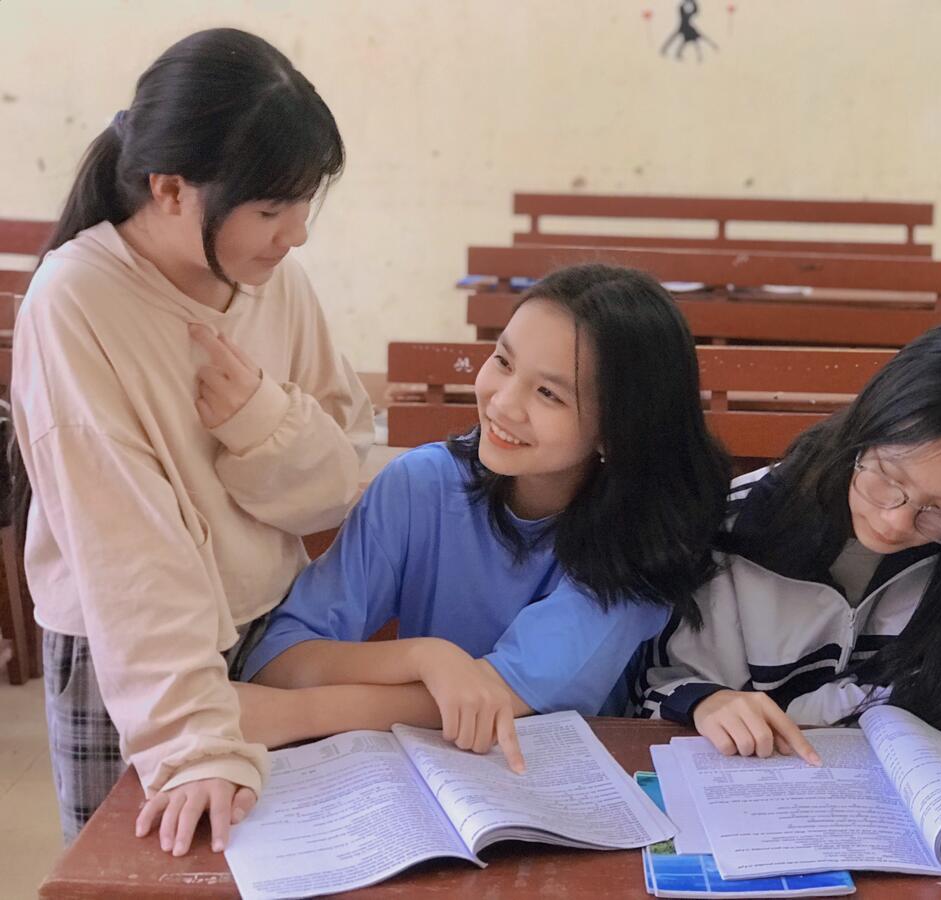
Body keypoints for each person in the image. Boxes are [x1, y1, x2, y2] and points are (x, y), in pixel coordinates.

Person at [11, 28, 372, 855]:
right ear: (169, 188)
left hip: (270, 625)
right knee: (148, 867)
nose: (298, 234)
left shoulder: (274, 280)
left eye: (305, 202)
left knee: (283, 865)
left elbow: (340, 480)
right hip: (130, 660)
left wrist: (260, 423)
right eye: (273, 208)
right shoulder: (76, 302)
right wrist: (194, 739)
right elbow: (124, 547)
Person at [233, 264, 735, 770]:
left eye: (549, 394)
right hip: (424, 773)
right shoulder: (420, 485)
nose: (503, 402)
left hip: (559, 780)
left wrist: (296, 714)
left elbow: (498, 697)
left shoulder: (638, 539)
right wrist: (423, 657)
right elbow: (277, 659)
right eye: (503, 360)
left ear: (615, 432)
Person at [639, 321, 941, 757]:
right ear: (863, 432)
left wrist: (805, 710)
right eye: (887, 478)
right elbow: (660, 686)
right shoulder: (737, 528)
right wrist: (708, 701)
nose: (895, 522)